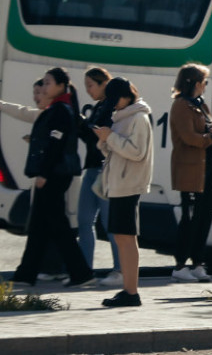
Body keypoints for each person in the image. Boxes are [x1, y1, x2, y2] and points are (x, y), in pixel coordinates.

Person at [10, 68, 93, 288]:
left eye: (48, 83)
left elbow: (56, 144)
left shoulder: (60, 110)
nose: (44, 87)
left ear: (60, 86)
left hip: (55, 174)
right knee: (40, 224)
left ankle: (80, 273)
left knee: (57, 225)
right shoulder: (57, 109)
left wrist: (44, 174)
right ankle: (26, 274)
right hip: (55, 173)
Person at [95, 77, 153, 308]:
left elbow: (137, 152)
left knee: (126, 238)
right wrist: (105, 140)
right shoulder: (123, 117)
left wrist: (109, 137)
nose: (113, 104)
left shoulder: (138, 118)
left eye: (115, 98)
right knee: (122, 237)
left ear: (127, 96)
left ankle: (131, 292)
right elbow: (116, 151)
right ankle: (129, 290)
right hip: (119, 184)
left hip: (129, 184)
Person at [169, 64, 212, 284]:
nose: (206, 86)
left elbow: (203, 131)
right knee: (190, 219)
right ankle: (180, 265)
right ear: (195, 83)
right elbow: (189, 137)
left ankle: (198, 263)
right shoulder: (181, 106)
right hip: (190, 171)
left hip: (207, 169)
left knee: (204, 217)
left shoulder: (200, 105)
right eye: (204, 82)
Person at [75, 67, 124, 287]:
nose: (88, 90)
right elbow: (91, 137)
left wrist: (86, 127)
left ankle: (120, 270)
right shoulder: (98, 107)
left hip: (106, 170)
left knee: (110, 223)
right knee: (84, 221)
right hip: (91, 168)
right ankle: (85, 271)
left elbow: (104, 137)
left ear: (104, 83)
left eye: (90, 85)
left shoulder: (112, 108)